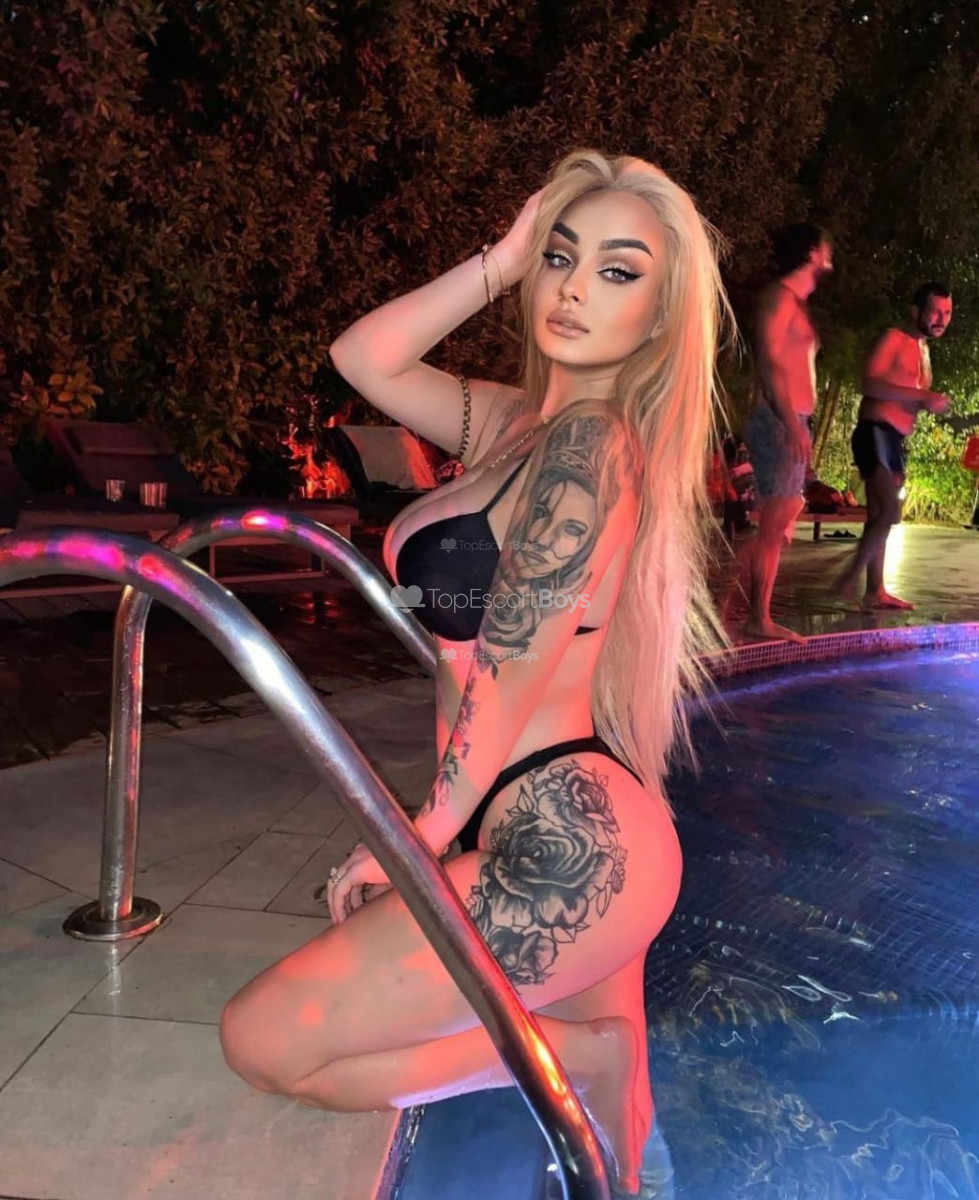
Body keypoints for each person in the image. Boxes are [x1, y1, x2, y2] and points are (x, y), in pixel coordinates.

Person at [218, 150, 729, 1194]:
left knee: (268, 1040)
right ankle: (587, 1073)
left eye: (617, 271)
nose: (573, 289)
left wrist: (419, 835)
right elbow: (364, 356)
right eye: (560, 258)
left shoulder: (591, 450)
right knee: (615, 1158)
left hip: (568, 840)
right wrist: (499, 258)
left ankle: (574, 1058)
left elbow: (511, 665)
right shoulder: (513, 422)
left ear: (659, 315)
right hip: (554, 818)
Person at [732, 222, 834, 642]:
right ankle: (757, 617)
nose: (830, 251)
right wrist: (791, 422)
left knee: (780, 520)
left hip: (791, 418)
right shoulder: (779, 297)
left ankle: (731, 606)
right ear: (811, 252)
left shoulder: (795, 302)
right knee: (777, 520)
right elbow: (770, 360)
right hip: (778, 419)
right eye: (825, 245)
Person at [836, 283, 953, 609]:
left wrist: (929, 403)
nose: (942, 319)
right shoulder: (894, 339)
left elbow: (907, 396)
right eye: (935, 311)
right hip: (875, 431)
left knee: (879, 515)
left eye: (947, 313)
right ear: (915, 311)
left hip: (896, 441)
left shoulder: (923, 351)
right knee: (889, 510)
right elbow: (869, 382)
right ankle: (847, 579)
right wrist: (922, 396)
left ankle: (875, 590)